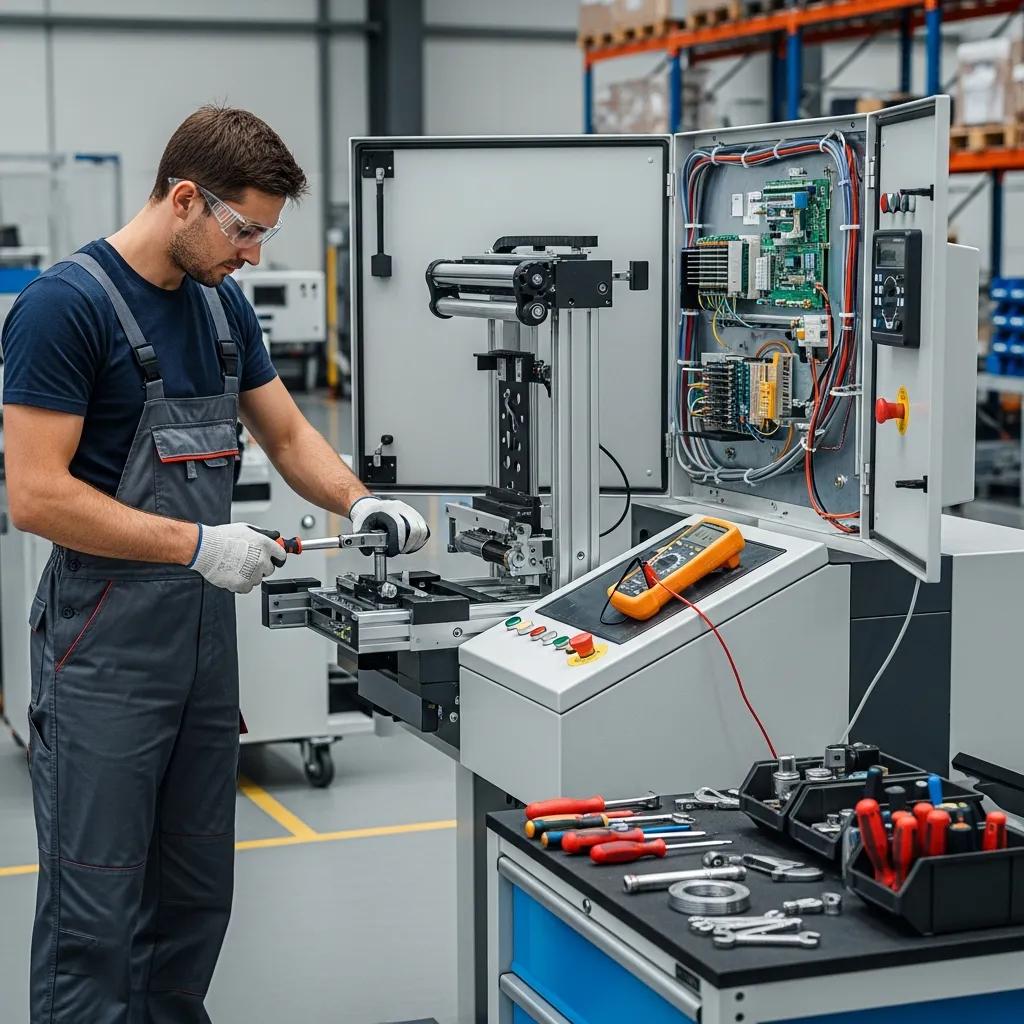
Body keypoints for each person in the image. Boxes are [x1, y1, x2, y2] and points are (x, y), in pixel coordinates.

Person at [1, 104, 428, 1024]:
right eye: (245, 232)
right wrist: (199, 544)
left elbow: (284, 431)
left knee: (195, 897)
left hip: (199, 644)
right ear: (185, 199)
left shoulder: (223, 305)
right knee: (95, 913)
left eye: (267, 237)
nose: (254, 257)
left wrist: (359, 501)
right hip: (101, 651)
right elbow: (34, 496)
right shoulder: (63, 308)